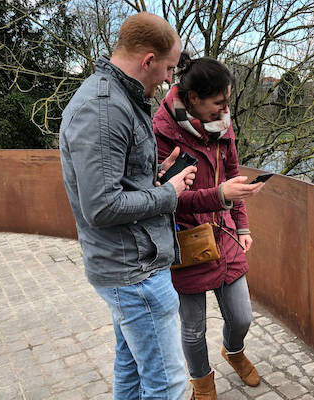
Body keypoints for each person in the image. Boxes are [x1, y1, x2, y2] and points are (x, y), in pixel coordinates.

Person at [59, 12, 196, 400]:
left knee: (132, 370)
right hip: (134, 273)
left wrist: (153, 177)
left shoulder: (119, 99)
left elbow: (116, 183)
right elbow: (100, 207)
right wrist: (168, 194)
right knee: (168, 385)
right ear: (148, 60)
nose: (170, 79)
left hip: (133, 264)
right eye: (168, 68)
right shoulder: (103, 109)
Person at [153, 53, 264, 399]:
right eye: (218, 103)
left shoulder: (223, 125)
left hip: (225, 232)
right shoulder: (162, 132)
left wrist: (242, 226)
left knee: (242, 317)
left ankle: (233, 352)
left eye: (227, 101)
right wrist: (219, 195)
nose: (224, 110)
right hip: (186, 240)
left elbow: (233, 178)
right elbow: (168, 199)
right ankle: (202, 384)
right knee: (193, 328)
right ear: (194, 99)